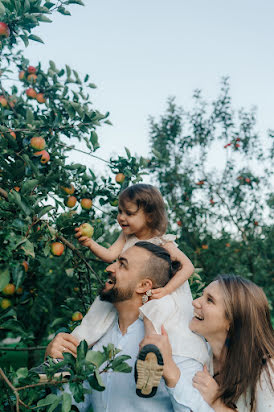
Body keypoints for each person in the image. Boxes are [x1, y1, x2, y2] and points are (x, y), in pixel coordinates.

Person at [71, 184, 205, 395]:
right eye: (120, 212)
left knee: (158, 313)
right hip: (133, 292)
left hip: (157, 292)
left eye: (129, 213)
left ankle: (149, 355)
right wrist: (90, 243)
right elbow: (108, 255)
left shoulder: (163, 242)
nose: (121, 218)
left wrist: (166, 290)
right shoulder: (126, 238)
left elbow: (186, 267)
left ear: (150, 216)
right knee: (98, 309)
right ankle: (71, 349)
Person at [45, 242, 211, 411]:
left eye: (122, 265)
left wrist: (170, 372)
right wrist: (55, 364)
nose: (109, 268)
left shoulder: (176, 344)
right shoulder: (95, 339)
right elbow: (74, 404)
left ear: (144, 286)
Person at [144, 275, 274, 411]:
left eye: (210, 300)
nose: (195, 302)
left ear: (232, 321)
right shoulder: (202, 355)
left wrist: (216, 402)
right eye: (202, 295)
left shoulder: (266, 371)